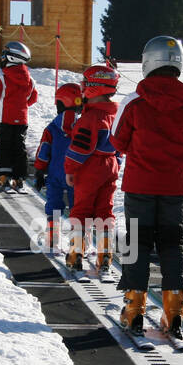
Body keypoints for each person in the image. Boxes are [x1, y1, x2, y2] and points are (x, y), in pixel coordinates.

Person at [113, 36, 183, 340]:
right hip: (174, 189)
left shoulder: (134, 102)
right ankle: (174, 311)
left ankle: (133, 309)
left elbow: (117, 139)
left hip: (139, 186)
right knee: (171, 244)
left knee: (137, 244)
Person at [63, 64, 122, 275]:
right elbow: (120, 144)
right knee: (105, 211)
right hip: (111, 165)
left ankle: (75, 254)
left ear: (94, 87)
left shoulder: (90, 118)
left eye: (86, 83)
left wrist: (70, 169)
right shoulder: (116, 115)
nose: (83, 87)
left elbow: (80, 148)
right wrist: (117, 162)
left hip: (89, 167)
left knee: (81, 210)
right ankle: (104, 256)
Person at [33, 82, 83, 250]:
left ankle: (52, 238)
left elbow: (43, 150)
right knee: (77, 208)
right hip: (76, 175)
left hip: (54, 174)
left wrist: (39, 170)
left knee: (54, 204)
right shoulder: (83, 126)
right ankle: (79, 241)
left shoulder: (52, 128)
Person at [0, 41, 38, 190]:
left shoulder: (0, 77)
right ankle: (19, 178)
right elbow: (32, 98)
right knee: (19, 147)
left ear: (12, 58)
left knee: (3, 146)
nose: (2, 58)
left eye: (4, 55)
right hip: (21, 119)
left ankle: (3, 176)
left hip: (4, 118)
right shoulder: (29, 79)